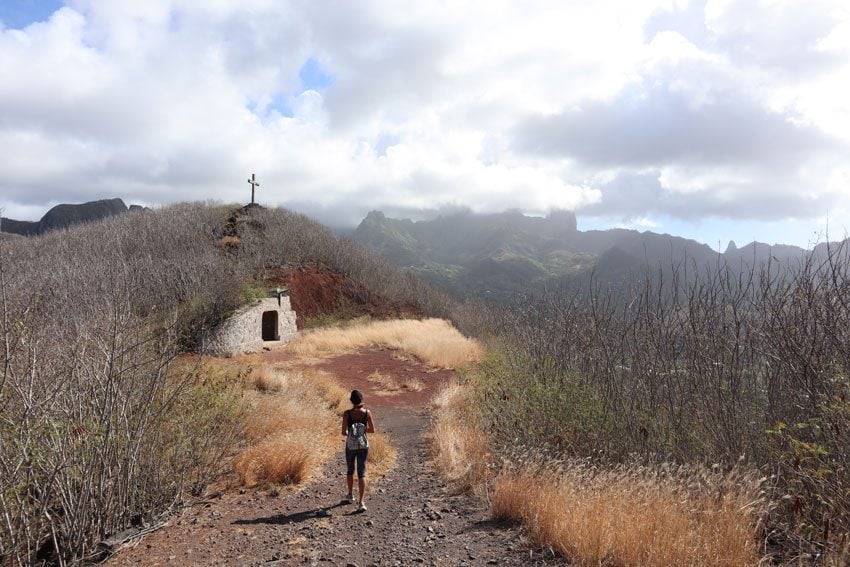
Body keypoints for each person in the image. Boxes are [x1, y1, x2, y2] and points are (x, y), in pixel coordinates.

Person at [342, 389, 375, 512]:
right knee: (362, 473)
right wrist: (362, 430)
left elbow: (343, 432)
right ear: (362, 400)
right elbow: (372, 430)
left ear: (351, 401)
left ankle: (350, 494)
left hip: (350, 446)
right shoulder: (367, 413)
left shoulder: (347, 414)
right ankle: (361, 502)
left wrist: (352, 432)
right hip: (363, 446)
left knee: (350, 470)